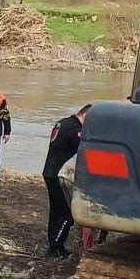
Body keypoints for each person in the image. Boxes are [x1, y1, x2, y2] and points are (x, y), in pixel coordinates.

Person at [43, 105, 90, 258]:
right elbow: (84, 151)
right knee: (66, 213)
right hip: (60, 175)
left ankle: (54, 244)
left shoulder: (63, 122)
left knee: (56, 210)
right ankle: (56, 247)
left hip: (50, 171)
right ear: (85, 116)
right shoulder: (75, 130)